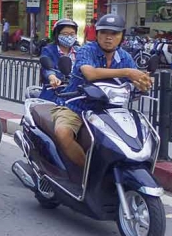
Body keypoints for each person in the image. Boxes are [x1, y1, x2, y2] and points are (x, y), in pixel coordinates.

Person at [54, 14, 151, 170]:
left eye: (114, 34)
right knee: (62, 133)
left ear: (122, 37)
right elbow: (90, 73)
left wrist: (143, 83)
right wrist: (127, 73)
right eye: (104, 32)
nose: (108, 38)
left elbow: (135, 82)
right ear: (97, 34)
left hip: (111, 112)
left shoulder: (125, 57)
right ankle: (87, 171)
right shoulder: (86, 50)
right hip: (77, 107)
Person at [39, 19, 79, 104]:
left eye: (72, 34)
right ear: (57, 35)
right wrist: (52, 78)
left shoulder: (80, 51)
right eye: (65, 34)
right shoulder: (49, 50)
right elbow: (47, 69)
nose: (69, 37)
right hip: (55, 92)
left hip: (76, 93)